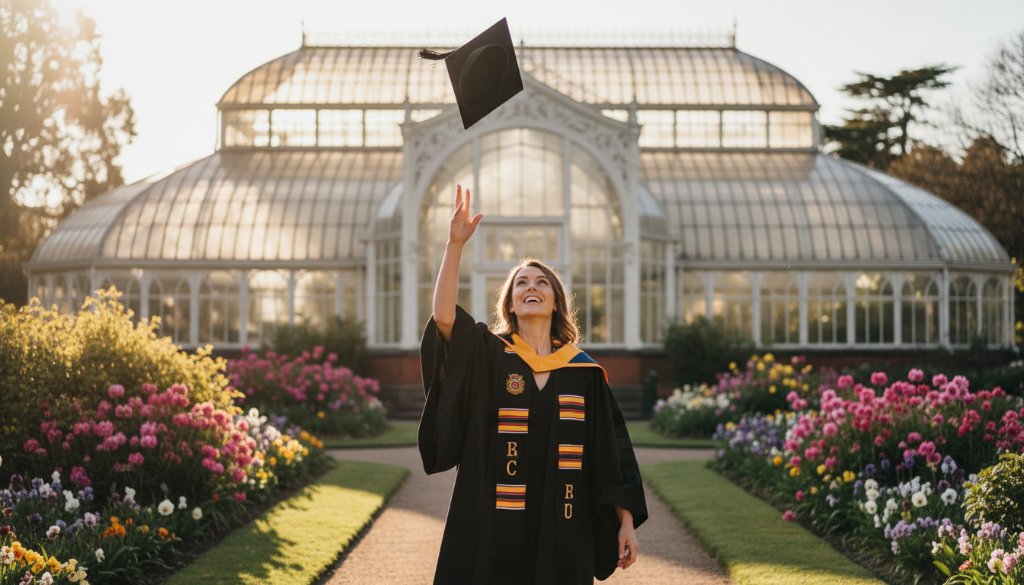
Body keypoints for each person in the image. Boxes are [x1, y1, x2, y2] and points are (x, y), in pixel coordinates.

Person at [419, 184, 648, 584]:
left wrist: (625, 521)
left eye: (542, 283)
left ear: (556, 301)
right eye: (521, 284)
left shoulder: (582, 372)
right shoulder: (490, 356)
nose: (531, 288)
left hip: (563, 525)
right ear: (509, 304)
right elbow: (443, 319)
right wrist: (454, 245)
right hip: (493, 522)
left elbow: (611, 455)